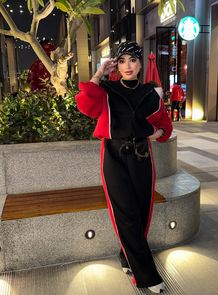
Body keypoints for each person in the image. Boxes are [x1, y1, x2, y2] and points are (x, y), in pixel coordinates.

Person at [75, 41, 173, 294]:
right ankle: (147, 276)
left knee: (141, 213)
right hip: (114, 156)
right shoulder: (106, 89)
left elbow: (166, 125)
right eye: (122, 61)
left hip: (142, 156)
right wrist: (99, 74)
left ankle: (126, 256)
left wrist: (157, 133)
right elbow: (85, 105)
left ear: (141, 64)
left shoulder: (152, 95)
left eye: (132, 60)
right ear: (115, 65)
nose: (127, 66)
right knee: (126, 215)